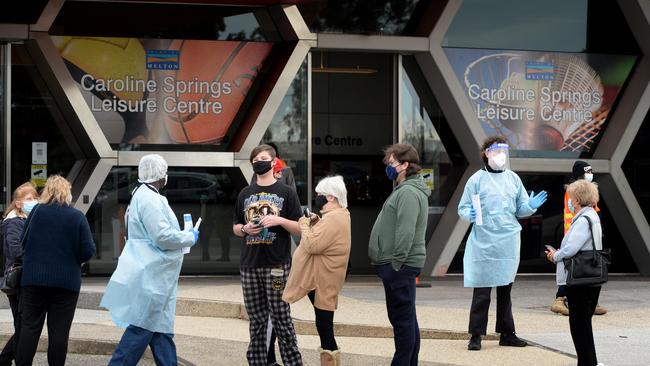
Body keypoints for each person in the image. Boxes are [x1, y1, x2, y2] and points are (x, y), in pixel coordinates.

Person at [101, 154, 199, 366]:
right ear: (160, 175)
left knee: (160, 330)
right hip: (154, 274)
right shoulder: (150, 199)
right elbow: (161, 236)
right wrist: (188, 236)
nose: (167, 177)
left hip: (155, 272)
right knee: (142, 327)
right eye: (165, 172)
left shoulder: (142, 195)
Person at [457, 136, 548, 351]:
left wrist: (531, 206)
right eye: (496, 151)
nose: (501, 156)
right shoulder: (476, 180)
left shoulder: (513, 179)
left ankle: (507, 333)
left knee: (505, 289)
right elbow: (463, 207)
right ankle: (476, 335)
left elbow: (521, 208)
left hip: (507, 241)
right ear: (486, 153)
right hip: (484, 242)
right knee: (482, 291)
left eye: (504, 152)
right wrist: (467, 214)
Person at [233, 144, 303, 366]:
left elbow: (301, 227)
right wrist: (245, 229)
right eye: (255, 159)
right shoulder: (245, 193)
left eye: (263, 158)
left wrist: (279, 220)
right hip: (249, 265)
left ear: (274, 163)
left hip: (277, 265)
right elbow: (235, 226)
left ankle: (293, 362)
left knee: (282, 318)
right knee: (257, 320)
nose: (258, 162)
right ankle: (257, 362)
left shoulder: (286, 192)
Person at [16, 175, 96, 366]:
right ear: (67, 192)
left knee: (29, 329)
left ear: (47, 192)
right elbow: (88, 251)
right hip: (66, 283)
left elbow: (23, 242)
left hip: (33, 281)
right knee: (59, 333)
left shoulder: (35, 213)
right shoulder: (77, 217)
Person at [368, 143, 431, 366]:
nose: (389, 167)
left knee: (402, 322)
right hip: (400, 266)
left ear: (405, 165)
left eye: (392, 163)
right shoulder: (405, 190)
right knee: (407, 319)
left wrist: (396, 264)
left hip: (400, 266)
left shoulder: (408, 192)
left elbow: (406, 230)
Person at [283, 175, 351, 366]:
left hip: (323, 280)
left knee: (325, 328)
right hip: (323, 279)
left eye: (320, 194)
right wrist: (317, 221)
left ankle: (330, 361)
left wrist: (304, 224)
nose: (317, 198)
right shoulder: (337, 216)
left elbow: (312, 245)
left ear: (331, 197)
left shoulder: (335, 218)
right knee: (324, 326)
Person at [546, 179, 603, 366]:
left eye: (571, 197)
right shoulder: (593, 217)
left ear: (577, 200)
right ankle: (589, 362)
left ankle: (587, 363)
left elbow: (571, 249)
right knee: (584, 324)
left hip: (580, 280)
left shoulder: (582, 220)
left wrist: (555, 255)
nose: (569, 200)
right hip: (591, 279)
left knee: (579, 325)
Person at [551, 160, 607, 316]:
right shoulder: (574, 192)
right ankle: (560, 299)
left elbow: (595, 211)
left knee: (584, 269)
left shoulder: (589, 191)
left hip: (584, 233)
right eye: (586, 172)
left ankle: (589, 301)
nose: (589, 175)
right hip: (575, 233)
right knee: (574, 269)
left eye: (590, 172)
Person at [0, 182, 39, 366]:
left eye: (35, 198)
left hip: (26, 278)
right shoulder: (13, 222)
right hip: (18, 279)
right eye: (29, 199)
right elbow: (15, 251)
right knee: (22, 325)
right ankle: (8, 359)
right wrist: (38, 258)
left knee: (23, 325)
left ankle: (6, 358)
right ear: (17, 203)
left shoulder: (27, 219)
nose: (34, 201)